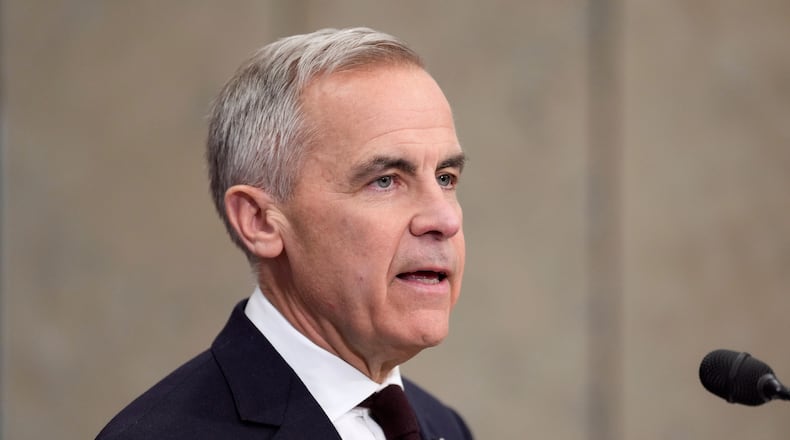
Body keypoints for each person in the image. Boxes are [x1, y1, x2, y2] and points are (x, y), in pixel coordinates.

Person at [97, 27, 472, 440]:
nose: (444, 219)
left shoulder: (442, 426)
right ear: (259, 220)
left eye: (445, 177)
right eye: (385, 180)